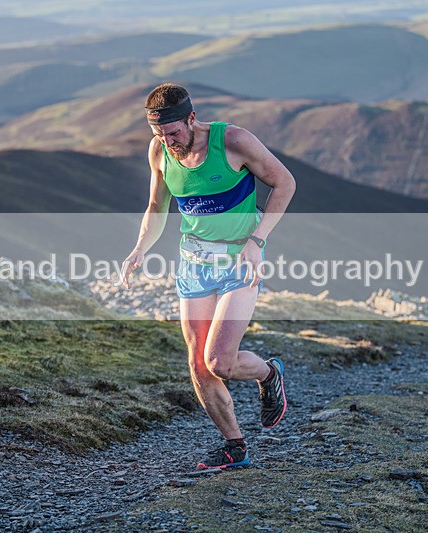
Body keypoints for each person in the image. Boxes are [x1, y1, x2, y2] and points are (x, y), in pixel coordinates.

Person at [122, 83, 296, 469]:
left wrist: (257, 240)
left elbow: (285, 183)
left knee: (220, 362)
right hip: (194, 265)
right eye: (159, 134)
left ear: (191, 118)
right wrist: (139, 249)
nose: (168, 141)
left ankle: (269, 373)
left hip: (239, 262)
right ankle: (235, 445)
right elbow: (156, 205)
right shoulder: (160, 152)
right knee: (198, 364)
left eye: (173, 132)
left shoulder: (233, 141)